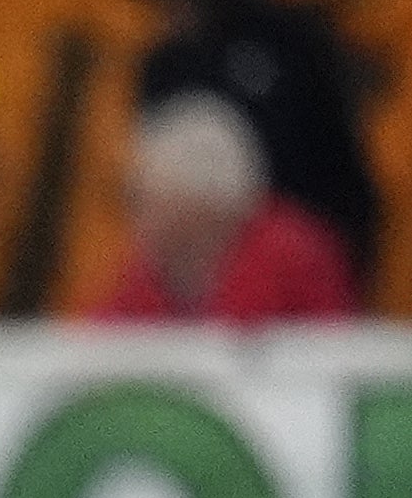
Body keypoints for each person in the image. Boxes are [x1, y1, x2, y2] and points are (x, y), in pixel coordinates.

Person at [122, 0, 379, 290]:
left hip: (304, 256)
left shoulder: (292, 41)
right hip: (202, 269)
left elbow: (341, 159)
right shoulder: (164, 68)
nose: (169, 12)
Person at [86, 93, 359, 325]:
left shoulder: (295, 254)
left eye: (145, 198)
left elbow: (333, 351)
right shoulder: (153, 267)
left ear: (201, 204)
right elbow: (102, 343)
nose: (136, 215)